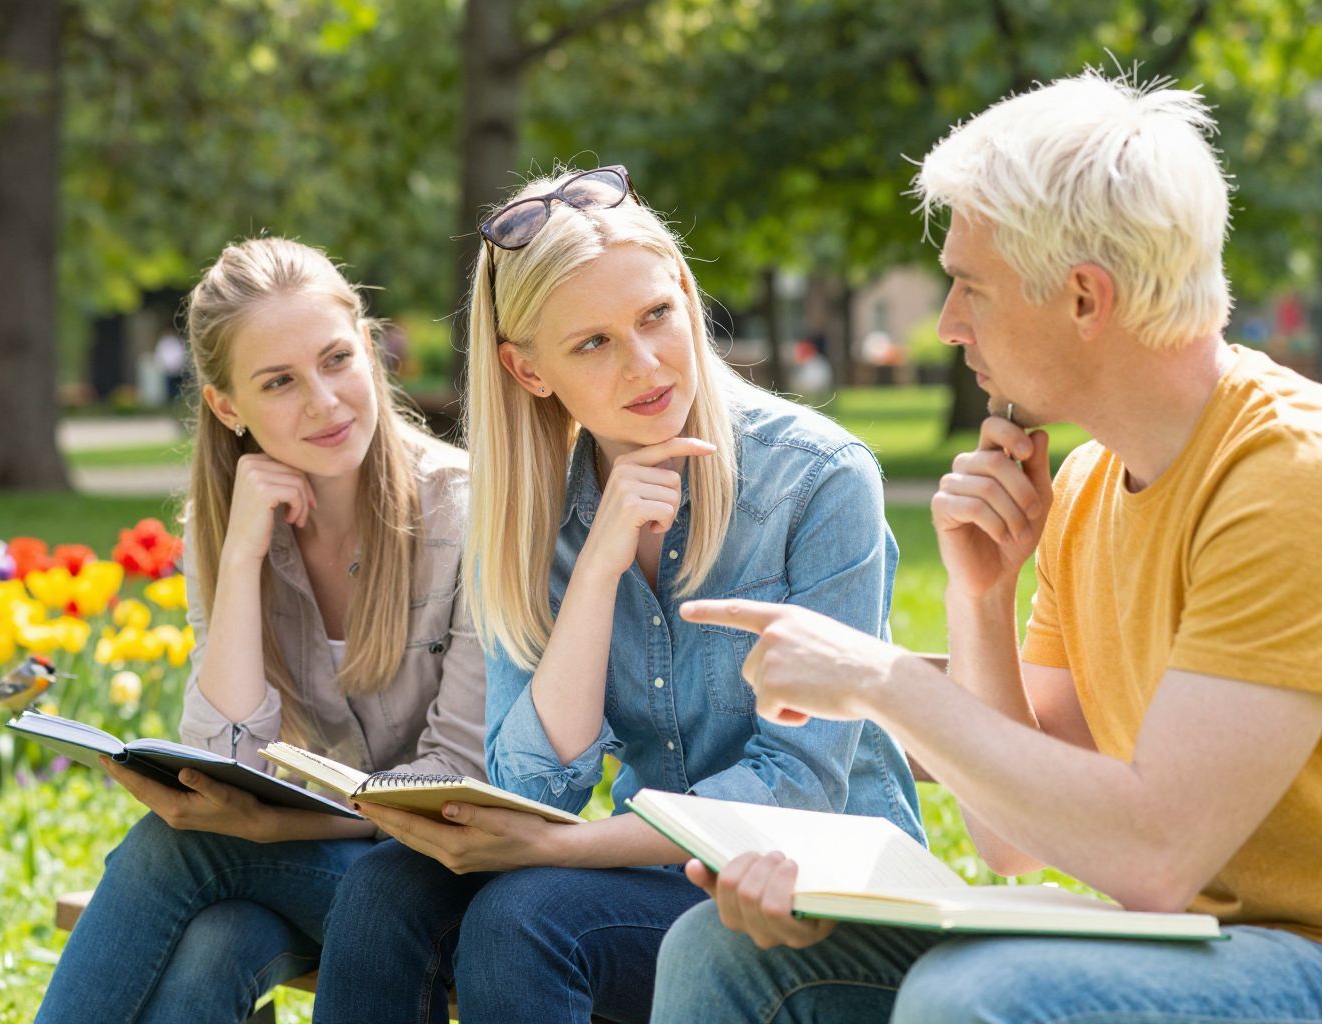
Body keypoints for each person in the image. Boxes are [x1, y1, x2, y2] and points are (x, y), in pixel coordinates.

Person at [654, 71, 1322, 1024]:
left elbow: (1152, 854)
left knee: (975, 998)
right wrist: (982, 598)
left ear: (1084, 298)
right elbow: (1011, 839)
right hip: (1188, 948)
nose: (947, 325)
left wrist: (885, 680)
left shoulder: (1303, 478)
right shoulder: (1096, 486)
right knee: (722, 953)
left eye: (971, 287)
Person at [310, 164, 924, 1023]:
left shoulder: (817, 479)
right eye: (593, 343)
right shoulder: (538, 508)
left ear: (683, 290)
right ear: (528, 371)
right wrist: (597, 566)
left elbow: (798, 789)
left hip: (817, 903)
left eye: (655, 317)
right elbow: (535, 783)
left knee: (526, 919)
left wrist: (572, 847)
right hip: (666, 884)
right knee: (388, 888)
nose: (645, 365)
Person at [35, 238, 488, 1024]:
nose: (324, 401)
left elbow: (460, 785)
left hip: (455, 889)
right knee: (219, 941)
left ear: (370, 349)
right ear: (226, 406)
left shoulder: (468, 514)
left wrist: (279, 824)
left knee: (177, 847)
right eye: (279, 382)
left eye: (337, 359)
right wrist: (241, 557)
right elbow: (224, 765)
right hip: (313, 870)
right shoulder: (229, 532)